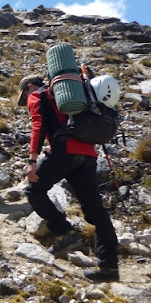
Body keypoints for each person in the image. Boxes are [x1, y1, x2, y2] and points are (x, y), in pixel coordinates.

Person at [18, 74, 120, 282]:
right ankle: (109, 268)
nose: (26, 97)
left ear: (30, 86)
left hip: (64, 151)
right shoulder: (74, 95)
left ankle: (65, 233)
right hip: (88, 154)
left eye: (25, 93)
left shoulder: (38, 95)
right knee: (95, 211)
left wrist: (32, 160)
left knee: (33, 189)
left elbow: (38, 125)